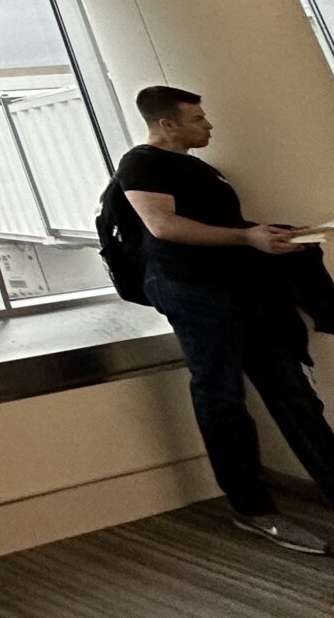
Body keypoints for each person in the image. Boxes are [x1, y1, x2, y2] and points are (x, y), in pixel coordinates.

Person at [118, 84, 334, 552]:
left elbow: (227, 228)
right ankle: (251, 507)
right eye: (197, 119)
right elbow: (162, 225)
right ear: (166, 124)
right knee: (221, 397)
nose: (209, 125)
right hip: (193, 292)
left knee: (292, 392)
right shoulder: (142, 163)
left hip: (240, 291)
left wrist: (273, 236)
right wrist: (248, 240)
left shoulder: (201, 170)